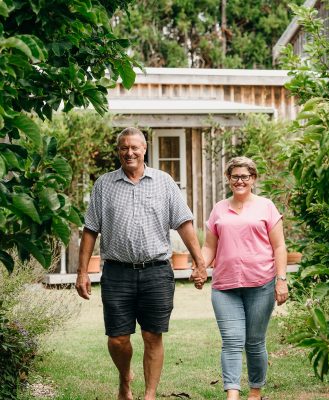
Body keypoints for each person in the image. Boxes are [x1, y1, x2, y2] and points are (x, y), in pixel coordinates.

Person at [75, 127, 207, 400]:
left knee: (152, 335)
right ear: (118, 151)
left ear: (145, 149)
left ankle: (149, 395)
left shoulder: (164, 182)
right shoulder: (104, 184)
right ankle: (125, 379)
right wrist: (82, 272)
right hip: (117, 272)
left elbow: (184, 222)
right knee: (117, 339)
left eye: (135, 147)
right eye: (124, 147)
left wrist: (199, 262)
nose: (129, 152)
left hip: (156, 272)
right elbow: (90, 229)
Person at [201, 156, 288, 400]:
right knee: (231, 341)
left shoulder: (266, 206)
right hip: (225, 287)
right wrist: (200, 266)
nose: (240, 180)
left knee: (255, 342)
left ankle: (255, 391)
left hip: (261, 284)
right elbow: (209, 248)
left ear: (253, 179)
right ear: (228, 179)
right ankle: (232, 395)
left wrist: (281, 280)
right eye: (235, 176)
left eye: (245, 176)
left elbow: (279, 246)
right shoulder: (219, 208)